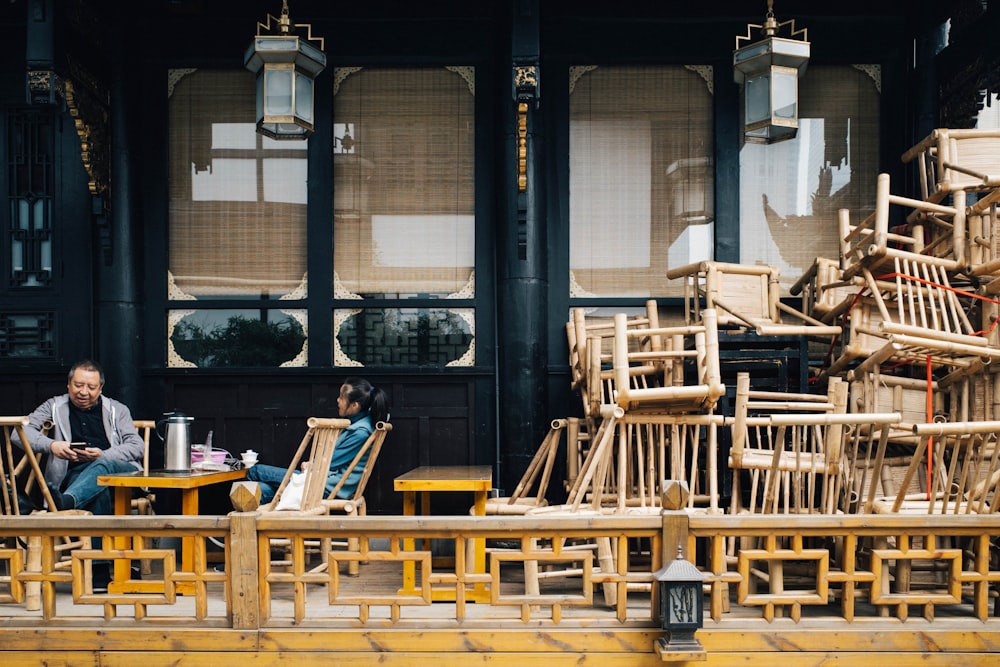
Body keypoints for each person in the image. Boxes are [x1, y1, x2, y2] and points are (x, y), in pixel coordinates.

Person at [19, 359, 144, 516]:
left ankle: (66, 502)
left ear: (100, 389)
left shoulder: (117, 409)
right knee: (97, 493)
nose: (84, 392)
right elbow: (20, 433)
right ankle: (72, 507)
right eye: (78, 385)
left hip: (120, 475)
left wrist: (103, 454)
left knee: (103, 463)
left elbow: (137, 446)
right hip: (79, 478)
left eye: (91, 387)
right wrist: (52, 445)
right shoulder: (53, 406)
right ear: (69, 385)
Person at [247, 377, 389, 505]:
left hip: (327, 486)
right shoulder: (364, 424)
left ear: (354, 406)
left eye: (341, 397)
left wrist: (312, 465)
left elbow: (331, 462)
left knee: (255, 471)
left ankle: (252, 524)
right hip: (325, 481)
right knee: (263, 489)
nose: (337, 400)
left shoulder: (360, 432)